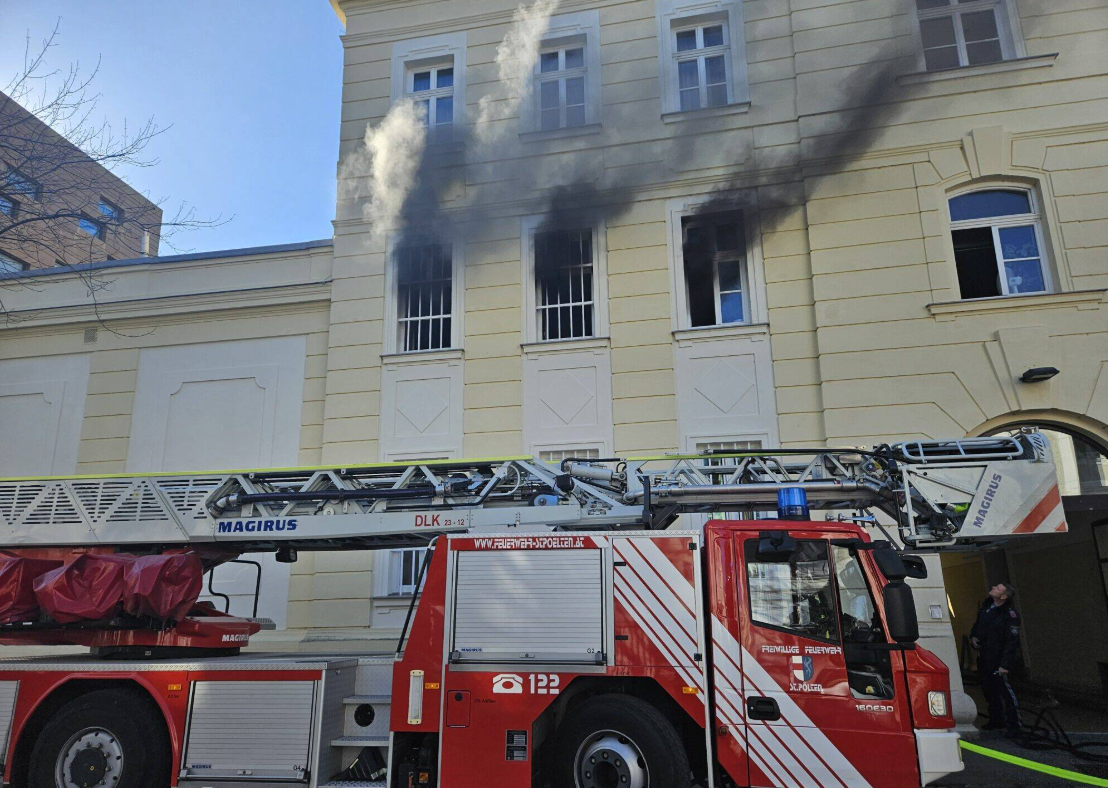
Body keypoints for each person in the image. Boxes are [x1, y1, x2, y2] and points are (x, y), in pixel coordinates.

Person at [970, 582, 1022, 734]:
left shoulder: (1009, 615)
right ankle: (996, 719)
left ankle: (1014, 724)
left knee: (1005, 691)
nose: (993, 588)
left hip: (999, 659)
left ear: (1003, 596)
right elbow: (978, 625)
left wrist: (1004, 664)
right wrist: (974, 636)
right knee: (989, 690)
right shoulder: (987, 608)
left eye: (998, 588)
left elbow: (1012, 642)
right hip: (985, 657)